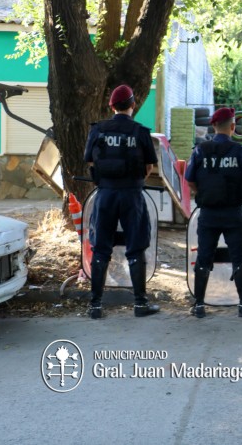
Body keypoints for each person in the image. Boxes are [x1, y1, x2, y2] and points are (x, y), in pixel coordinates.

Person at [83, 84, 159, 319]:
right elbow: (149, 167)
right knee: (136, 246)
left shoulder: (98, 130)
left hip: (105, 195)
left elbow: (90, 163)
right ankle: (140, 304)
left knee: (100, 248)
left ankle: (95, 305)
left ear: (112, 106)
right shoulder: (141, 132)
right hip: (132, 196)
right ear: (133, 104)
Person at [184, 107, 242, 318]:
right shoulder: (241, 152)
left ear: (213, 126)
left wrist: (205, 193)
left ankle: (199, 304)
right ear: (232, 127)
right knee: (239, 257)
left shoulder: (200, 150)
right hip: (233, 213)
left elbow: (189, 179)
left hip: (208, 213)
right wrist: (241, 197)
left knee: (204, 256)